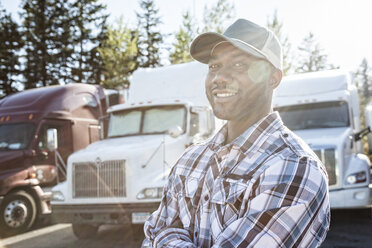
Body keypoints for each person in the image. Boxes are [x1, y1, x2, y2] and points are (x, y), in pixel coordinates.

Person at [142, 19, 330, 248]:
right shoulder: (189, 161)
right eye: (214, 66)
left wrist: (167, 238)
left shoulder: (295, 167)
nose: (219, 77)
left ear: (273, 78)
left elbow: (158, 235)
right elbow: (152, 233)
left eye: (239, 66)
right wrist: (162, 235)